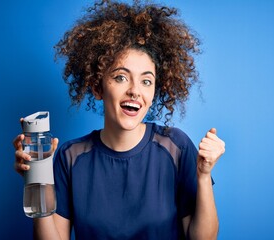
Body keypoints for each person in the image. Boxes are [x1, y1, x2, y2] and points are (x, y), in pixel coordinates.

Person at [13, 0, 225, 239]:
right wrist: (36, 180)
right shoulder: (70, 156)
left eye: (146, 81)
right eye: (121, 77)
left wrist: (204, 176)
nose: (135, 90)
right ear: (97, 86)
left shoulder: (176, 147)